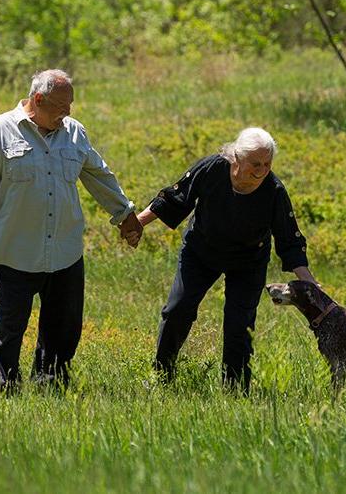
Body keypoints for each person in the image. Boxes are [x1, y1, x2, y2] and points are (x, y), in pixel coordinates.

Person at [0, 69, 142, 393]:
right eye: (61, 105)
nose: (68, 112)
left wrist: (125, 213)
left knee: (63, 327)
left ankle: (51, 384)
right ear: (38, 100)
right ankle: (6, 387)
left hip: (64, 251)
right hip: (14, 250)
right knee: (10, 327)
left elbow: (98, 175)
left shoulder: (74, 132)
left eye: (71, 104)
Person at [135, 127, 318, 392]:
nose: (262, 170)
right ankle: (162, 377)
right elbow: (176, 197)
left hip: (248, 261)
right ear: (236, 158)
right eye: (255, 163)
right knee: (178, 310)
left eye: (267, 164)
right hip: (201, 251)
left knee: (239, 325)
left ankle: (235, 390)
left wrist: (309, 282)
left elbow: (290, 241)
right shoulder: (212, 170)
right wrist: (138, 222)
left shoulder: (274, 191)